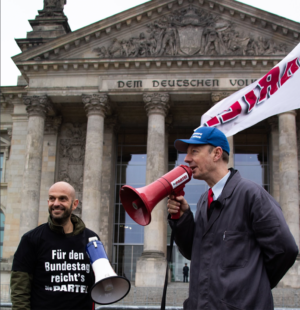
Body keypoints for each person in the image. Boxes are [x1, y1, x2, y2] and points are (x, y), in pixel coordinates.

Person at [167, 126, 298, 310]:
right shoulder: (205, 200)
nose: (187, 159)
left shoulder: (251, 194)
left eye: (194, 151)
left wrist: (253, 287)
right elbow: (195, 253)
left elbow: (285, 250)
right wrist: (183, 219)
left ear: (217, 154)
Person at [10, 181, 99, 310]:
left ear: (75, 204)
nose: (56, 203)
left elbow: (101, 279)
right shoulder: (31, 239)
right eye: (52, 198)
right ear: (48, 202)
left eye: (62, 199)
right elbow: (20, 290)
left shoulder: (91, 239)